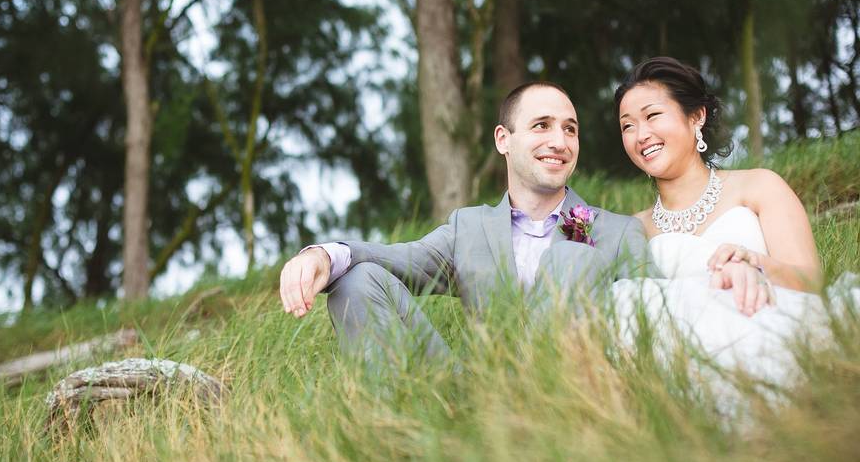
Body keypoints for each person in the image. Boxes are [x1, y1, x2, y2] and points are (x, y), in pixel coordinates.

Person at [278, 82, 654, 364]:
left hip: (570, 402)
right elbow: (397, 258)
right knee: (357, 279)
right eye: (542, 125)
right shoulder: (468, 228)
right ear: (503, 140)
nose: (560, 140)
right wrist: (323, 257)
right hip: (472, 398)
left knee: (572, 259)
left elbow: (654, 327)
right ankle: (397, 438)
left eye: (570, 129)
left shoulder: (618, 232)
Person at [609, 56, 849, 395]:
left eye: (652, 116)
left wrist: (755, 262)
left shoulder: (759, 186)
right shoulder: (633, 227)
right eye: (627, 126)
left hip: (776, 336)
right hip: (687, 371)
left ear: (696, 116)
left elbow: (810, 280)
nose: (641, 134)